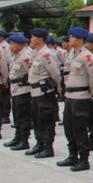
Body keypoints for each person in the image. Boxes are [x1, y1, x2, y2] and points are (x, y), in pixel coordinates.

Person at [59, 27, 93, 171]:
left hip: (81, 97)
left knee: (80, 128)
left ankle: (83, 159)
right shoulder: (72, 54)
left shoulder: (87, 56)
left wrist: (90, 92)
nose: (69, 39)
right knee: (69, 127)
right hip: (69, 96)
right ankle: (72, 155)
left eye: (72, 37)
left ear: (80, 40)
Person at [26, 28, 61, 158]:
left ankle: (48, 146)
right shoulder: (36, 53)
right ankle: (39, 143)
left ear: (40, 39)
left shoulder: (47, 54)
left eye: (32, 37)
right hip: (35, 92)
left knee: (46, 119)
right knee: (36, 119)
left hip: (44, 92)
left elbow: (55, 73)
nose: (31, 39)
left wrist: (58, 86)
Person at [4, 34, 33, 151]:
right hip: (15, 89)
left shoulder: (25, 56)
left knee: (23, 116)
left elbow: (30, 73)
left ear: (20, 45)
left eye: (13, 43)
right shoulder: (16, 55)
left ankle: (24, 140)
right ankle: (18, 137)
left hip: (23, 90)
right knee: (17, 115)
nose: (11, 46)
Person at [0, 30, 12, 124]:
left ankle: (6, 115)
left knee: (4, 94)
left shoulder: (5, 46)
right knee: (0, 95)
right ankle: (2, 114)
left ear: (1, 37)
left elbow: (8, 60)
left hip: (4, 71)